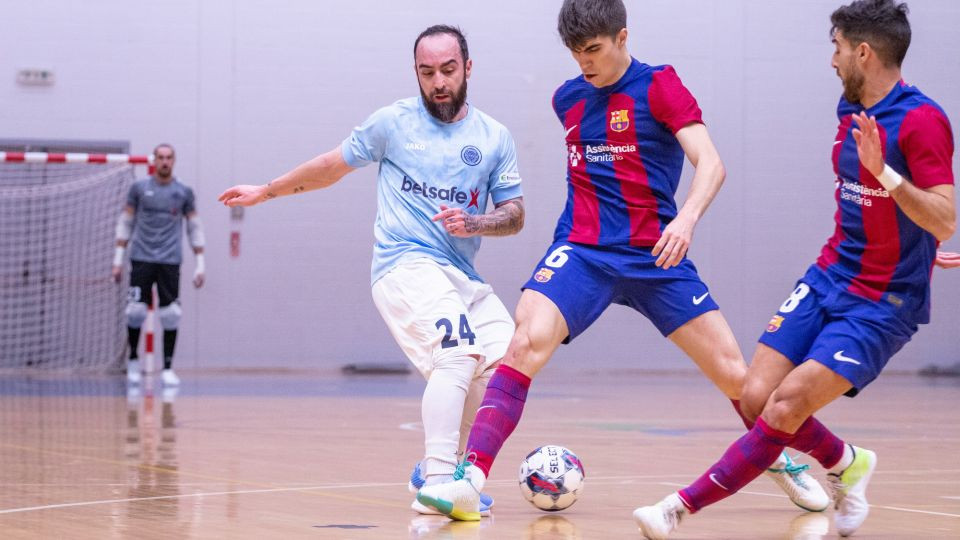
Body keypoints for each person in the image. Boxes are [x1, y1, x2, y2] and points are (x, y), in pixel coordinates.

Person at [417, 0, 828, 521]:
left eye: (593, 49)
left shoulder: (660, 86)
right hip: (583, 252)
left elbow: (712, 164)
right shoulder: (567, 98)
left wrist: (687, 220)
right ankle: (468, 481)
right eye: (575, 51)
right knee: (522, 343)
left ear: (622, 37)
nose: (584, 62)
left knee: (740, 382)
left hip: (656, 254)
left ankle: (784, 461)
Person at [634, 1, 955, 538]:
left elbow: (944, 216)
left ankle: (676, 509)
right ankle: (849, 463)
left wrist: (891, 182)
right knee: (755, 394)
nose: (831, 60)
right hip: (831, 273)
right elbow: (893, 210)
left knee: (784, 406)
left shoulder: (922, 120)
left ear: (863, 51)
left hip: (882, 302)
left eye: (836, 47)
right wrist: (910, 228)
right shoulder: (850, 108)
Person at [217, 25, 525, 517]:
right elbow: (330, 165)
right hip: (404, 264)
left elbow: (515, 215)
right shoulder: (393, 123)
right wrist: (267, 190)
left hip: (461, 275)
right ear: (416, 74)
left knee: (508, 361)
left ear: (469, 68)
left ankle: (452, 476)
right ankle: (441, 481)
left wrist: (475, 221)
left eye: (448, 70)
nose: (438, 82)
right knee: (458, 353)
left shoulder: (494, 137)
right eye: (427, 73)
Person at [113, 143, 206, 387]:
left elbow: (194, 227)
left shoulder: (183, 192)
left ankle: (167, 368)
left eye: (169, 158)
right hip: (141, 258)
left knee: (171, 313)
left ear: (173, 161)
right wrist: (117, 260)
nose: (164, 161)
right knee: (135, 311)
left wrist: (200, 263)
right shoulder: (139, 189)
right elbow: (126, 222)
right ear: (154, 160)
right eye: (160, 157)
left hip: (169, 261)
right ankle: (133, 360)